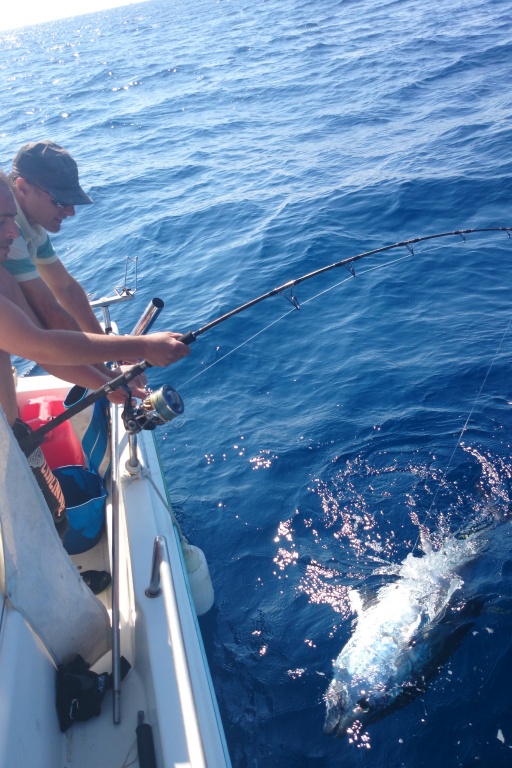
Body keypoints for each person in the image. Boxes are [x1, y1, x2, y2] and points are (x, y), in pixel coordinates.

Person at [0, 173, 190, 537]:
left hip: (15, 435)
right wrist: (139, 348)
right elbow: (43, 342)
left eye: (12, 219)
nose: (12, 232)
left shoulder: (5, 269)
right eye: (2, 221)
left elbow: (41, 344)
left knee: (52, 518)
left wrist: (109, 385)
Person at [4, 139, 106, 335]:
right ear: (23, 188)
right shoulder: (9, 234)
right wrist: (119, 352)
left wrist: (108, 347)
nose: (70, 212)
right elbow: (50, 314)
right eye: (60, 201)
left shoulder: (32, 222)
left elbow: (65, 286)